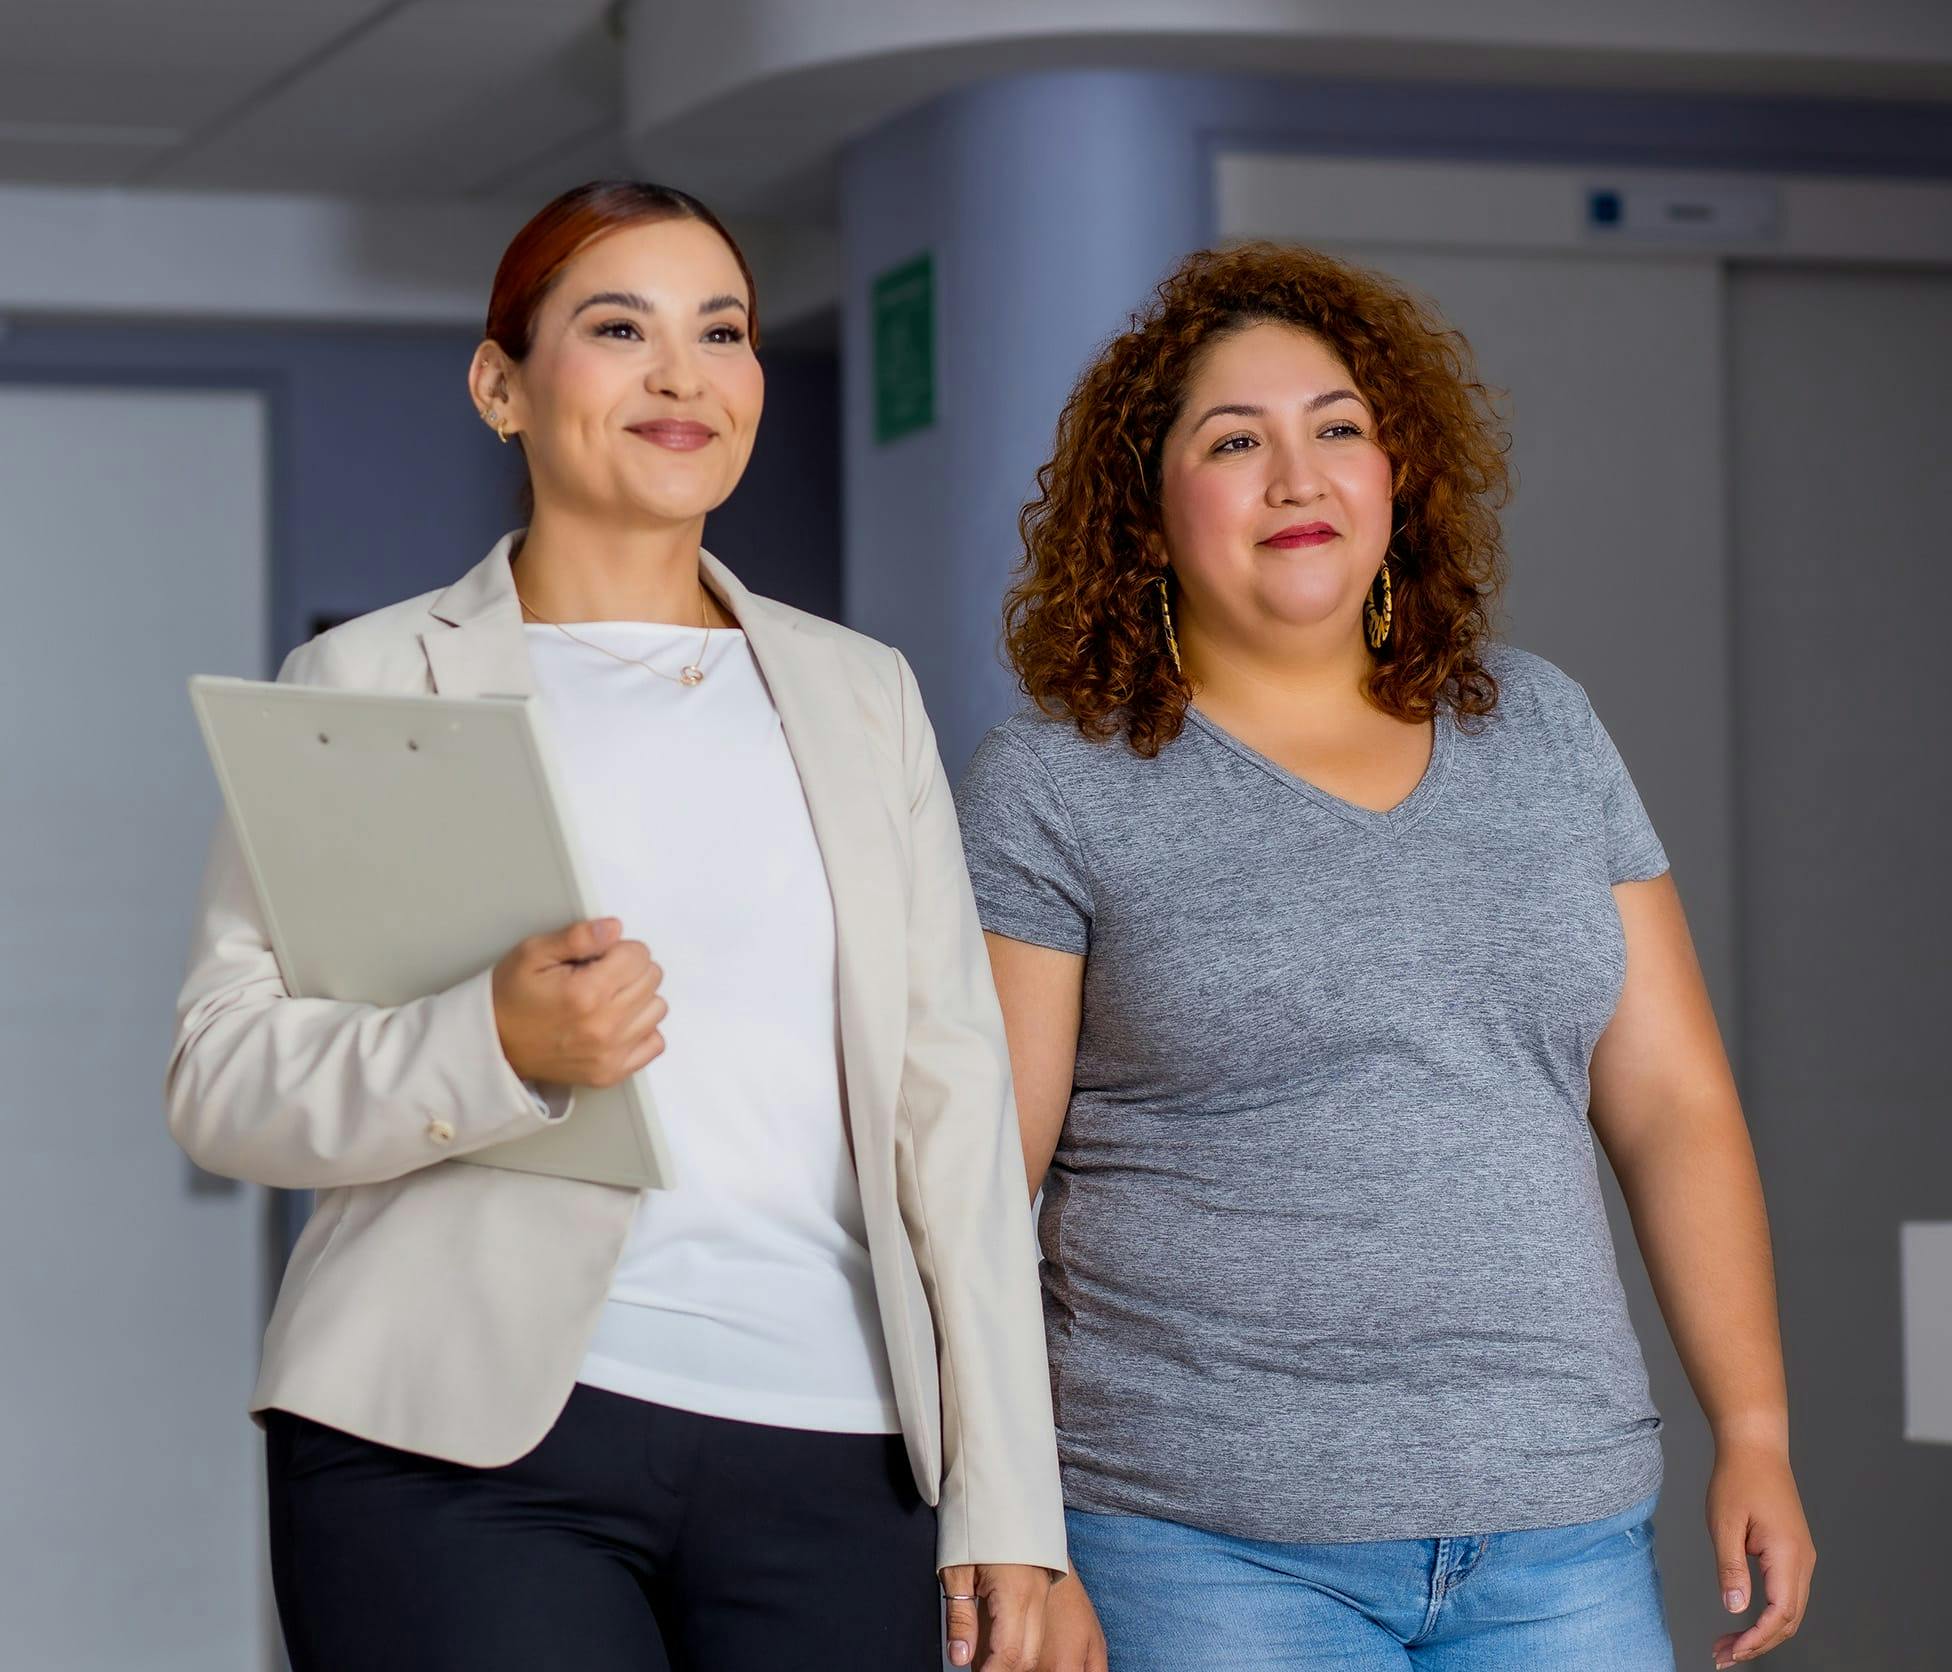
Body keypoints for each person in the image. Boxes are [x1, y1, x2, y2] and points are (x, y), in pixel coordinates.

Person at [167, 179, 1062, 1672]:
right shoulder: (370, 678)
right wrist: (494, 1042)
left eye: (722, 330)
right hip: (457, 1448)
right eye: (617, 328)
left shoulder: (861, 693)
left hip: (838, 1445)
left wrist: (1010, 1498)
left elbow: (952, 1113)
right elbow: (224, 1074)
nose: (681, 375)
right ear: (500, 386)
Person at [954, 242, 1814, 1671]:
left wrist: (1758, 1428)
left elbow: (1673, 1111)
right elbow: (982, 1188)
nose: (1299, 478)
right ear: (1150, 517)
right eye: (1236, 442)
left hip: (1563, 1526)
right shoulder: (1058, 785)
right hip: (1201, 1542)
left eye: (1337, 428)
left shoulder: (1539, 729)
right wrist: (1011, 1528)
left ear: (1396, 474)